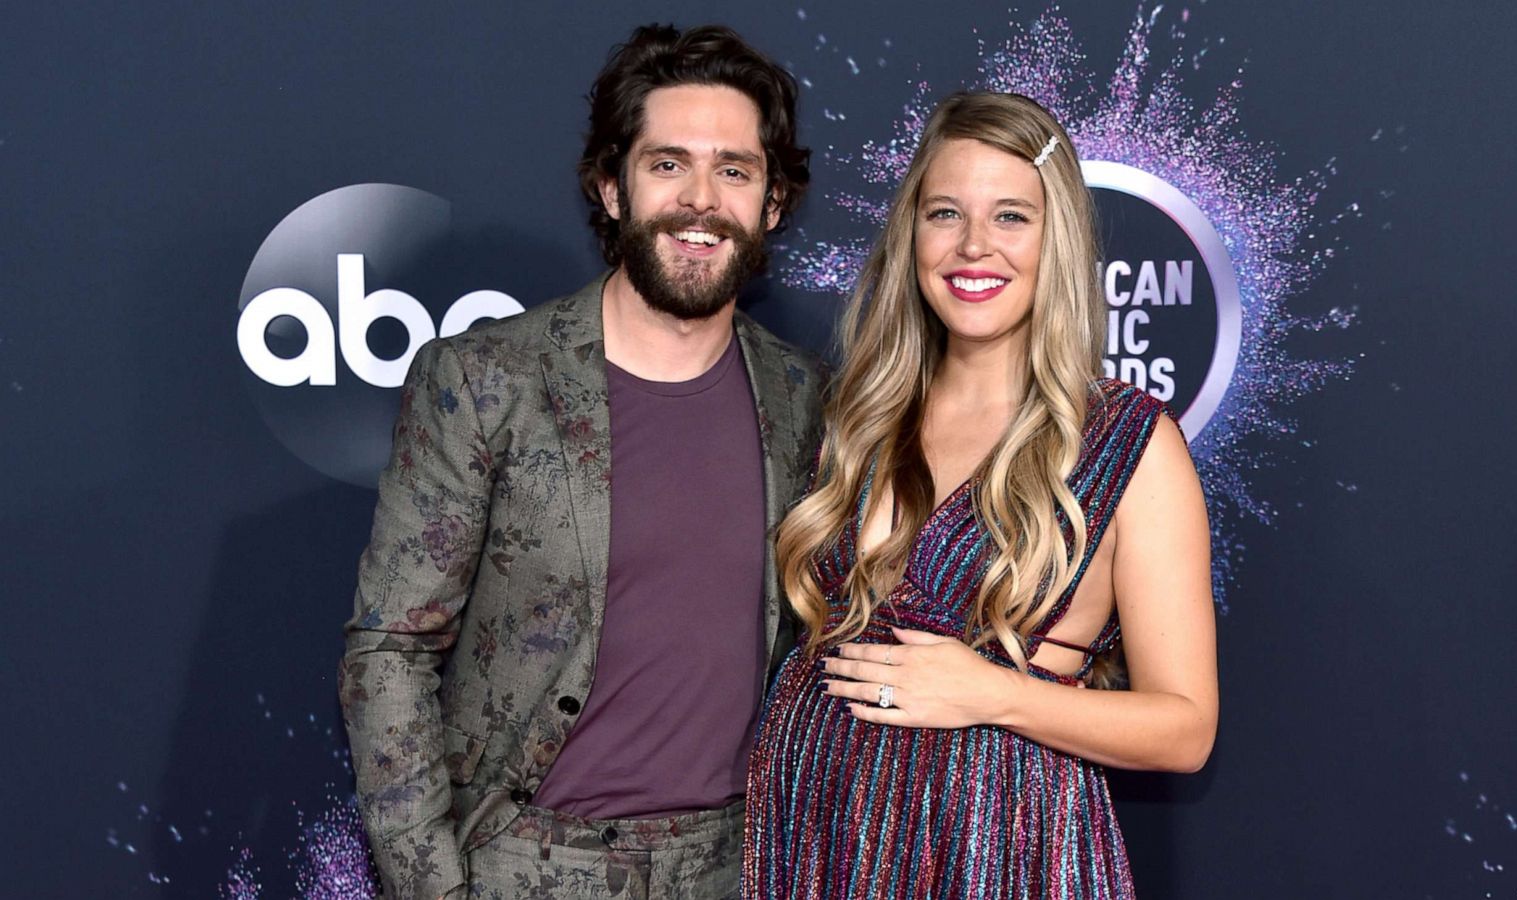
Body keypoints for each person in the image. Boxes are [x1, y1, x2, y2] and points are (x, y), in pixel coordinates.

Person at [338, 24, 825, 900]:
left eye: (735, 170)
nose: (702, 199)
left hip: (738, 865)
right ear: (611, 187)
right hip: (525, 863)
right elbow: (390, 652)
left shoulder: (805, 399)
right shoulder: (489, 380)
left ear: (773, 203)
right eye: (668, 164)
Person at [744, 91, 1218, 898]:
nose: (972, 247)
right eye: (944, 214)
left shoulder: (1127, 440)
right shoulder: (856, 413)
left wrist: (995, 693)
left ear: (1056, 239)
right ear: (912, 234)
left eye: (1010, 217)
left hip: (999, 844)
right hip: (815, 832)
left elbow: (1185, 728)